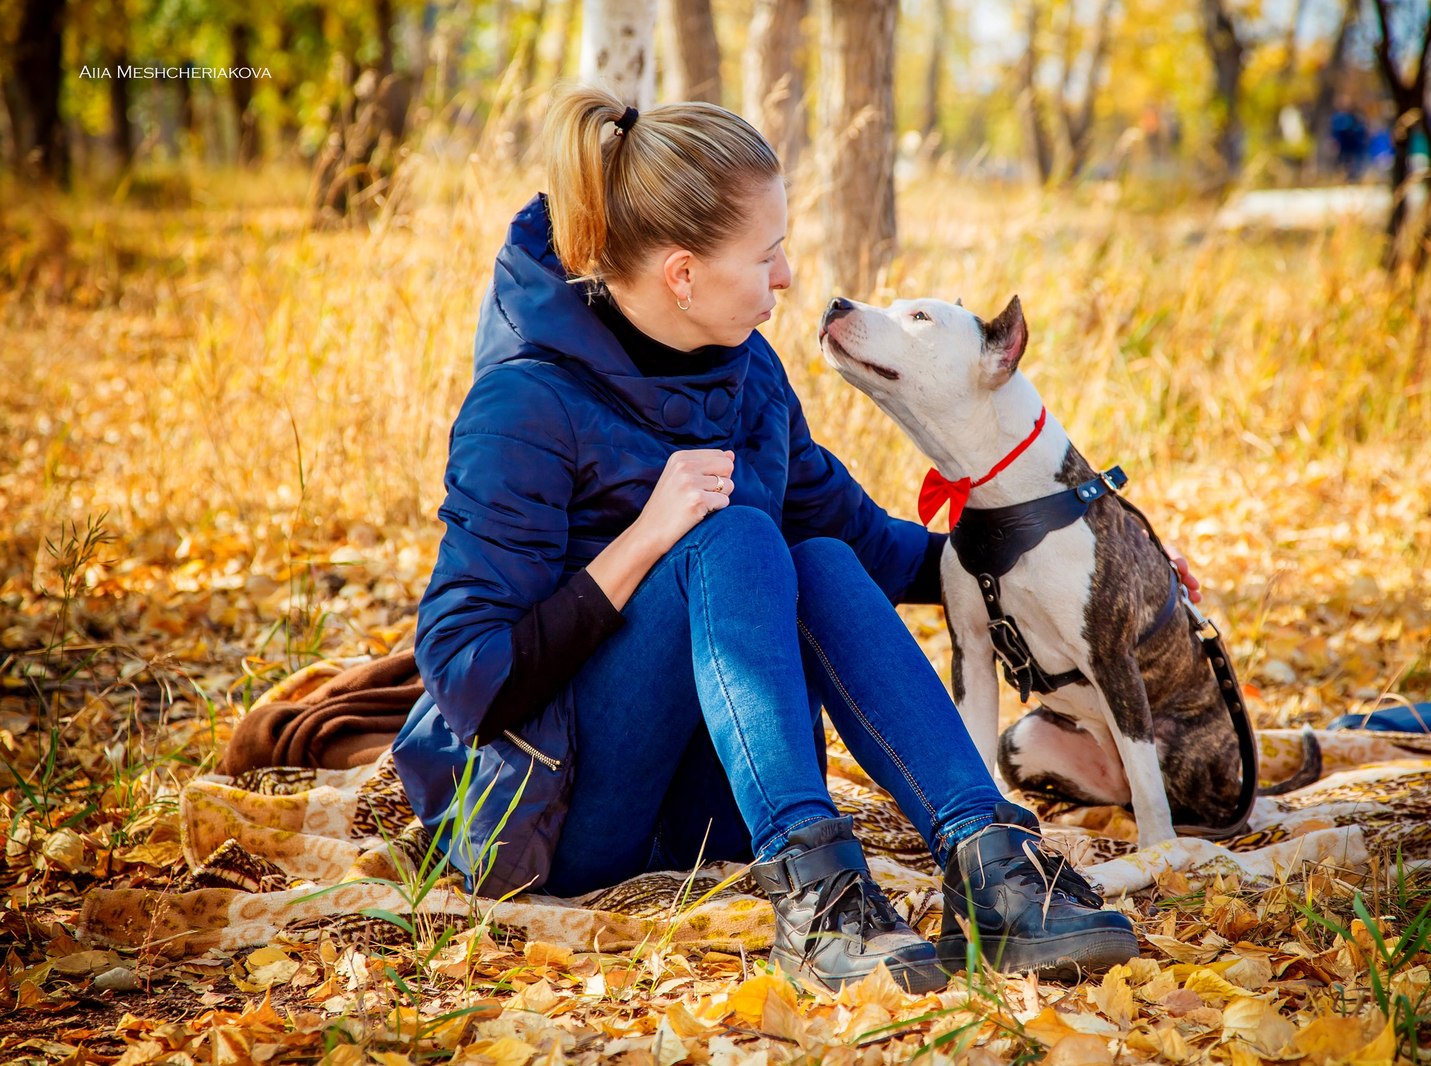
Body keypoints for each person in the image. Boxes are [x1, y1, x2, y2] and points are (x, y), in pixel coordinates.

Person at [392, 85, 1144, 993]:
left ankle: (989, 861)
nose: (788, 275)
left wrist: (1067, 544)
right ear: (681, 273)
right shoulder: (524, 404)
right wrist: (643, 542)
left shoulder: (745, 371)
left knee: (815, 556)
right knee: (734, 539)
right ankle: (815, 895)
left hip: (707, 800)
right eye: (767, 253)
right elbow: (467, 674)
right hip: (555, 812)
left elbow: (858, 538)